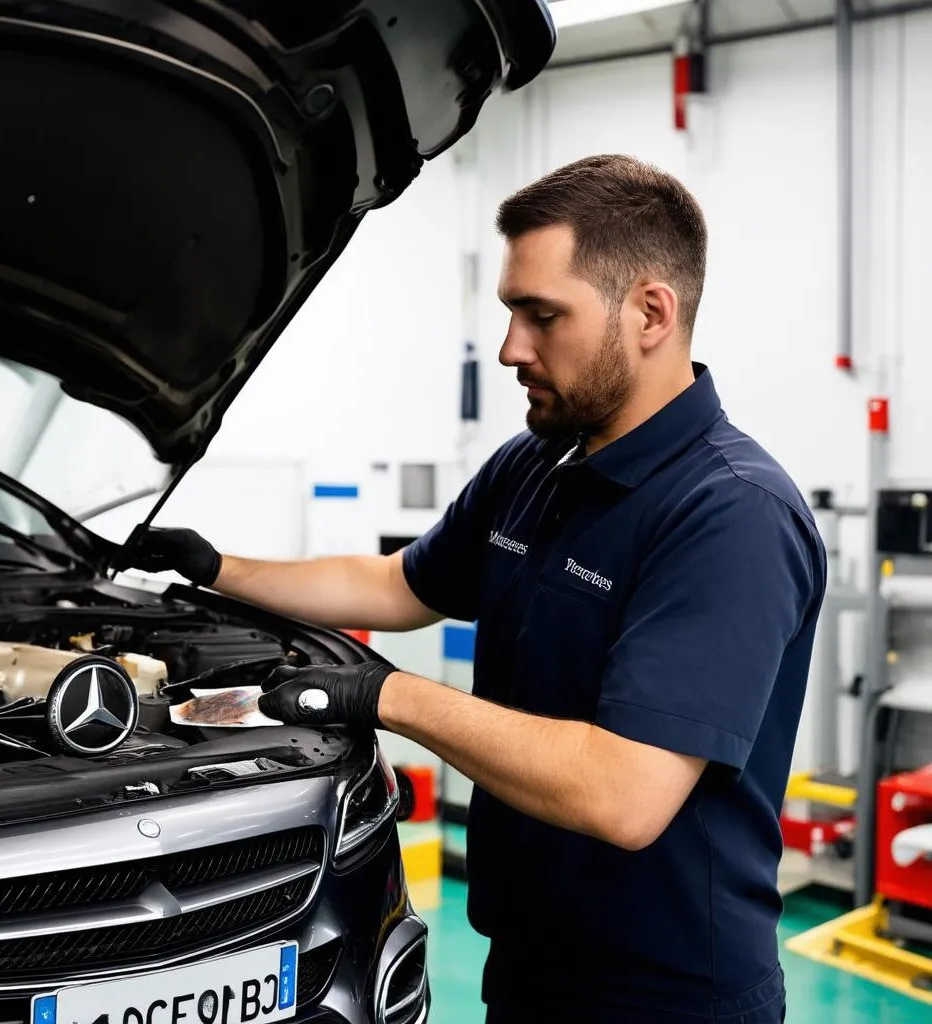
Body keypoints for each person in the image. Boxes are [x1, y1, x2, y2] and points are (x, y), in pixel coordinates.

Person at [118, 154, 827, 1023]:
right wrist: (217, 570)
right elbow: (395, 584)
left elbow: (624, 793)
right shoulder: (535, 465)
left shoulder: (731, 515)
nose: (509, 349)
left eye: (542, 316)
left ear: (650, 312)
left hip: (668, 996)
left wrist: (389, 697)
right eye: (509, 313)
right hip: (529, 964)